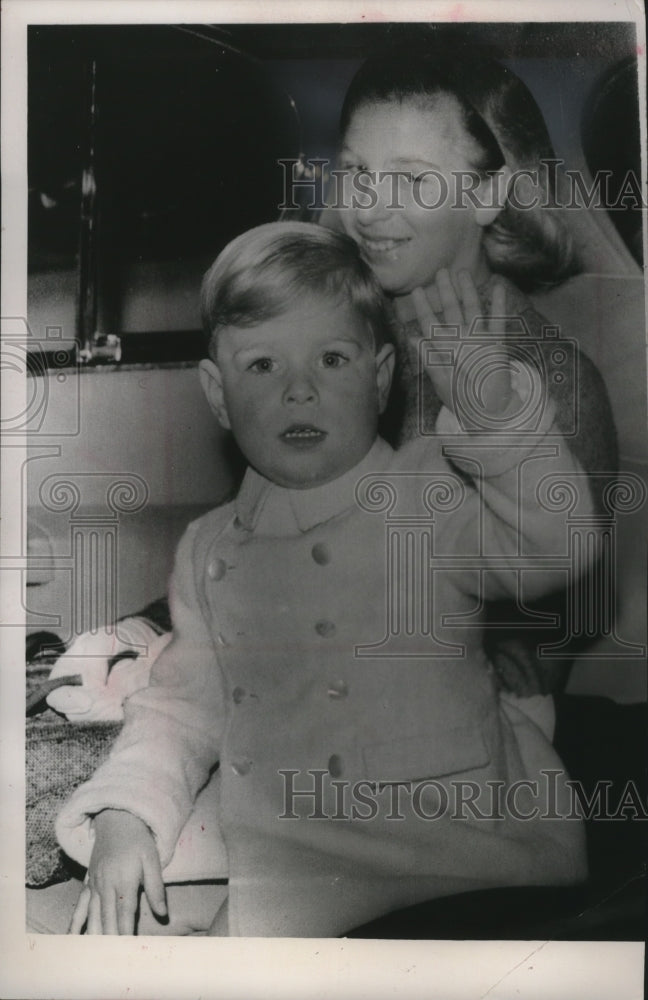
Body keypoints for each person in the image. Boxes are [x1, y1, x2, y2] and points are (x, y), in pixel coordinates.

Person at [52, 221, 595, 937]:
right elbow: (182, 711)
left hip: (469, 858)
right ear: (217, 395)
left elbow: (561, 547)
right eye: (262, 367)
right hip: (295, 880)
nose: (299, 391)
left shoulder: (426, 490)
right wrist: (125, 816)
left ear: (380, 378)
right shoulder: (208, 549)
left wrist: (495, 420)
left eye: (332, 359)